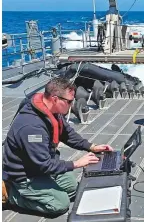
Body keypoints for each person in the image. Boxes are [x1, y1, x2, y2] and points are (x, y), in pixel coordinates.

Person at [2, 77, 114, 216]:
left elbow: (67, 134)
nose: (72, 104)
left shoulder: (51, 111)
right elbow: (43, 165)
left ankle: (42, 188)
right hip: (25, 175)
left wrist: (92, 146)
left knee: (73, 189)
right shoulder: (32, 127)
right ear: (55, 98)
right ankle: (11, 194)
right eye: (69, 101)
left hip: (42, 165)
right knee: (60, 205)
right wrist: (77, 163)